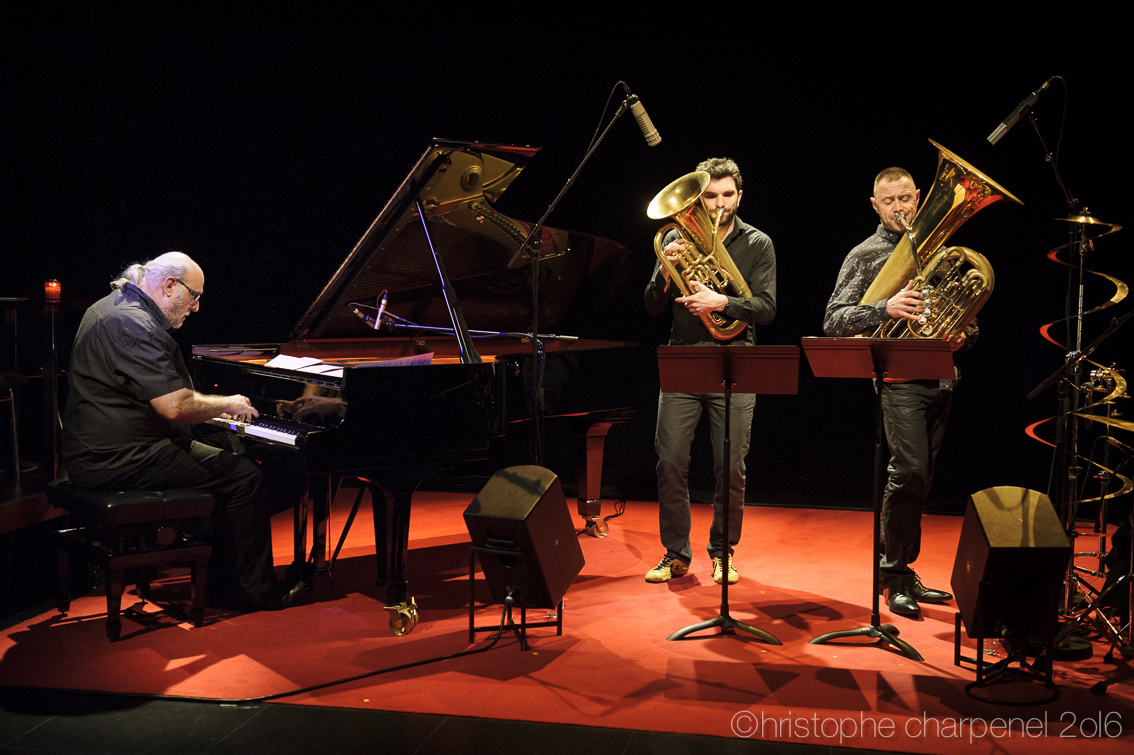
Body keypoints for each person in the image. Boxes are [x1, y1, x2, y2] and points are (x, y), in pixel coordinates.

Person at [61, 251, 287, 611]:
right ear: (169, 285)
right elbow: (176, 407)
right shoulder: (133, 323)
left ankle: (219, 571)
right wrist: (228, 403)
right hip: (122, 458)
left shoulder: (109, 306)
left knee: (231, 449)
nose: (195, 307)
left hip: (102, 447)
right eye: (194, 296)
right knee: (245, 478)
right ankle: (247, 592)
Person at [822, 167, 969, 617]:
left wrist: (964, 333)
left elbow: (967, 309)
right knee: (907, 472)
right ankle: (892, 575)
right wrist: (883, 307)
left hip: (942, 376)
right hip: (898, 380)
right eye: (890, 201)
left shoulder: (938, 250)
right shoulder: (865, 255)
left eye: (906, 199)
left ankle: (904, 571)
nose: (900, 208)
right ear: (875, 205)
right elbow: (833, 320)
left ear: (919, 197)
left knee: (921, 481)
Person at [643, 157, 777, 585]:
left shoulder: (758, 244)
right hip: (683, 358)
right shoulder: (677, 238)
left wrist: (722, 303)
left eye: (726, 195)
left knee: (731, 466)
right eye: (711, 196)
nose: (719, 204)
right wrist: (666, 269)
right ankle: (675, 553)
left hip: (735, 359)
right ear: (699, 199)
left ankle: (723, 551)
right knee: (670, 462)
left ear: (739, 196)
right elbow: (651, 305)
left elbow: (767, 308)